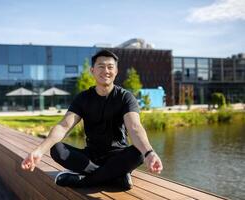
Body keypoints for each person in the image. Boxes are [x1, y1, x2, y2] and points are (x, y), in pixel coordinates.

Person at [21, 49, 163, 190]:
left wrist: (150, 153)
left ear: (116, 71)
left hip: (117, 156)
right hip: (90, 157)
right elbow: (64, 126)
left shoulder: (125, 97)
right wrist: (39, 151)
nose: (106, 71)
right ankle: (116, 177)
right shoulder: (83, 98)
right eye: (101, 66)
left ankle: (84, 181)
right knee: (57, 149)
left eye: (110, 67)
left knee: (138, 153)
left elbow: (134, 127)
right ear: (92, 70)